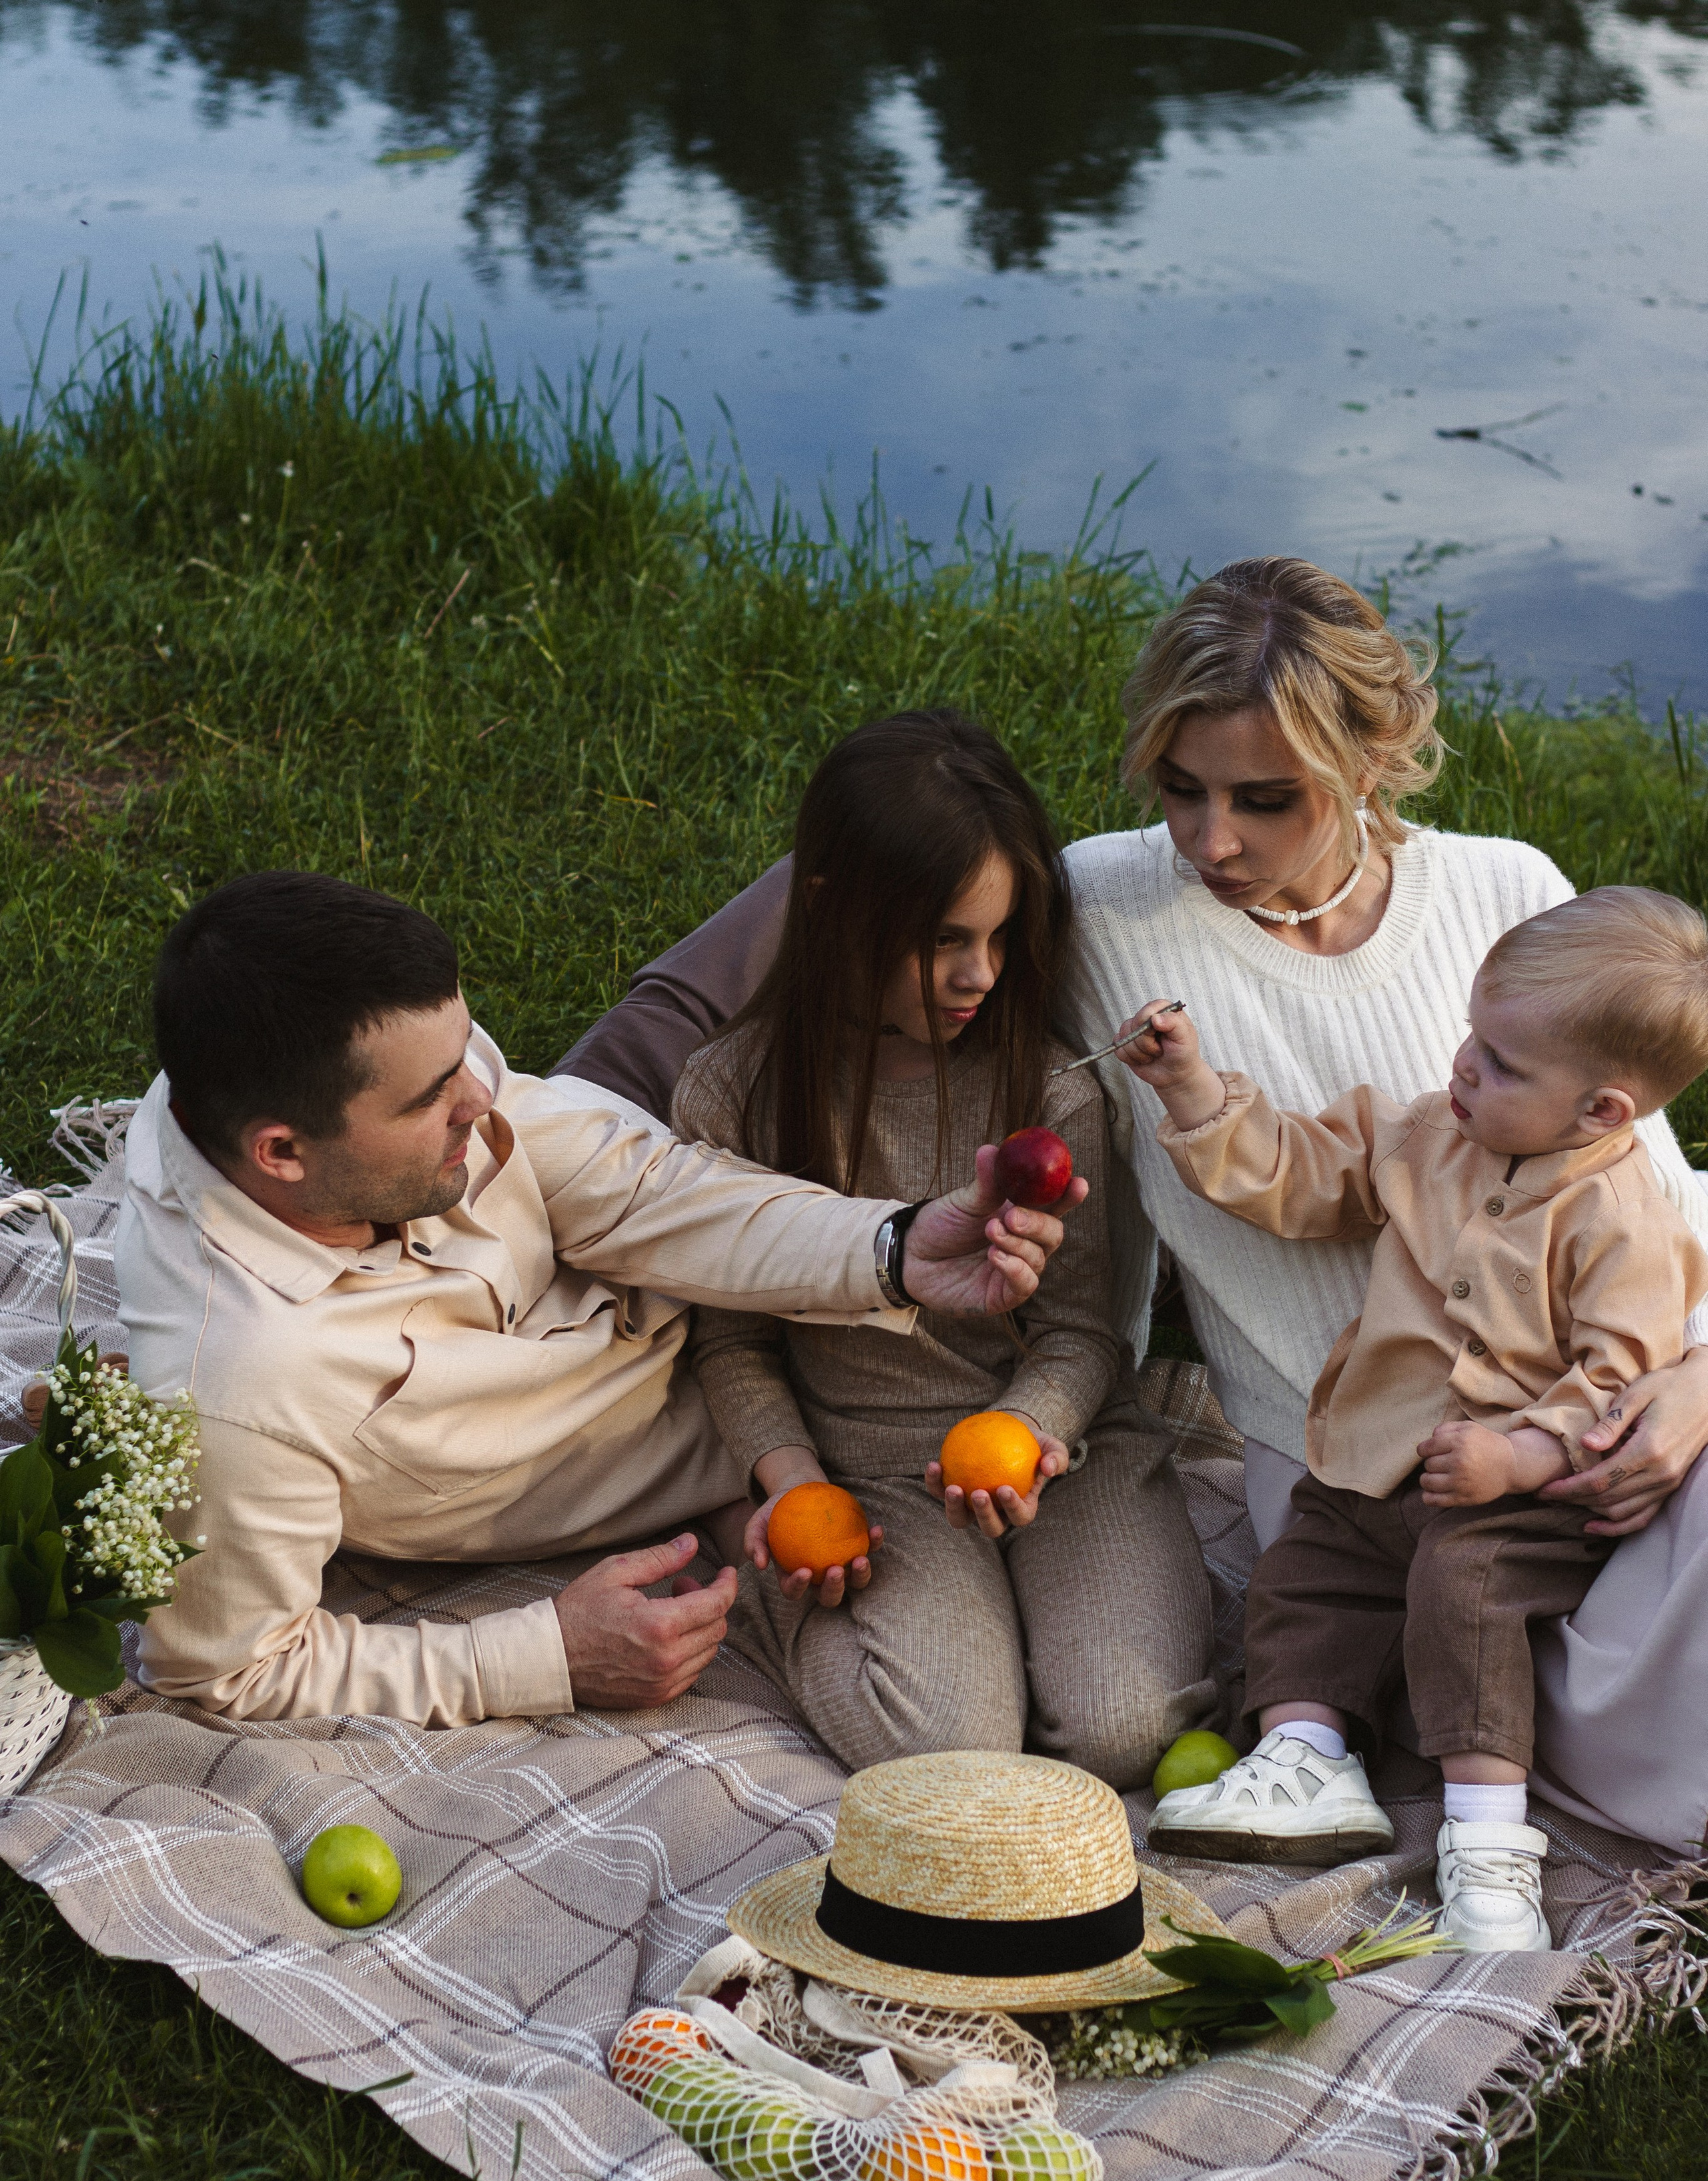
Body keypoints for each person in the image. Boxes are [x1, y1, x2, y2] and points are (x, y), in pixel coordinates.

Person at [558, 558, 1708, 1853]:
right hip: (1347, 1461)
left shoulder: (1508, 895)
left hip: (1596, 1400)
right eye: (1176, 788)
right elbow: (842, 905)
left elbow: (1652, 1200)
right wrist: (538, 1130)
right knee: (1574, 1729)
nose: (1206, 842)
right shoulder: (1098, 905)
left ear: (1370, 758)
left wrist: (1686, 1387)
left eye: (1261, 801)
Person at [115, 871, 1076, 1726]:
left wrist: (895, 1245)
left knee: (850, 879)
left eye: (466, 1056)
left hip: (626, 1169)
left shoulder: (333, 1087)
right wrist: (547, 1657)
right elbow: (230, 1668)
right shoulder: (241, 1394)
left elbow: (658, 1199)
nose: (481, 1102)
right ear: (279, 1152)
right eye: (428, 1098)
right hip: (721, 1398)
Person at [1131, 889, 1708, 1947]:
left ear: (1603, 1113)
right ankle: (1307, 1758)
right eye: (1474, 1038)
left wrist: (1521, 1455)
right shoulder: (1428, 1135)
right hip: (1375, 1455)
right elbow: (1303, 1174)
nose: (1464, 1068)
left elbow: (1622, 1377)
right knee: (1304, 1572)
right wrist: (1193, 1089)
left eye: (1502, 1064)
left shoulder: (1624, 1221)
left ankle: (1490, 1838)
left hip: (1518, 1499)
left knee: (1462, 1592)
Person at [670, 711, 1214, 1781]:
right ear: (833, 914)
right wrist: (785, 1485)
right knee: (948, 1749)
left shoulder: (1047, 1088)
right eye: (944, 942)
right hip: (867, 1469)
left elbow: (1086, 1332)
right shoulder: (734, 1093)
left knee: (1127, 1730)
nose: (981, 976)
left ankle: (1025, 1612)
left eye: (1003, 939)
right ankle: (826, 1611)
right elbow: (730, 1341)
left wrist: (1030, 1424)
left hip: (1055, 1450)